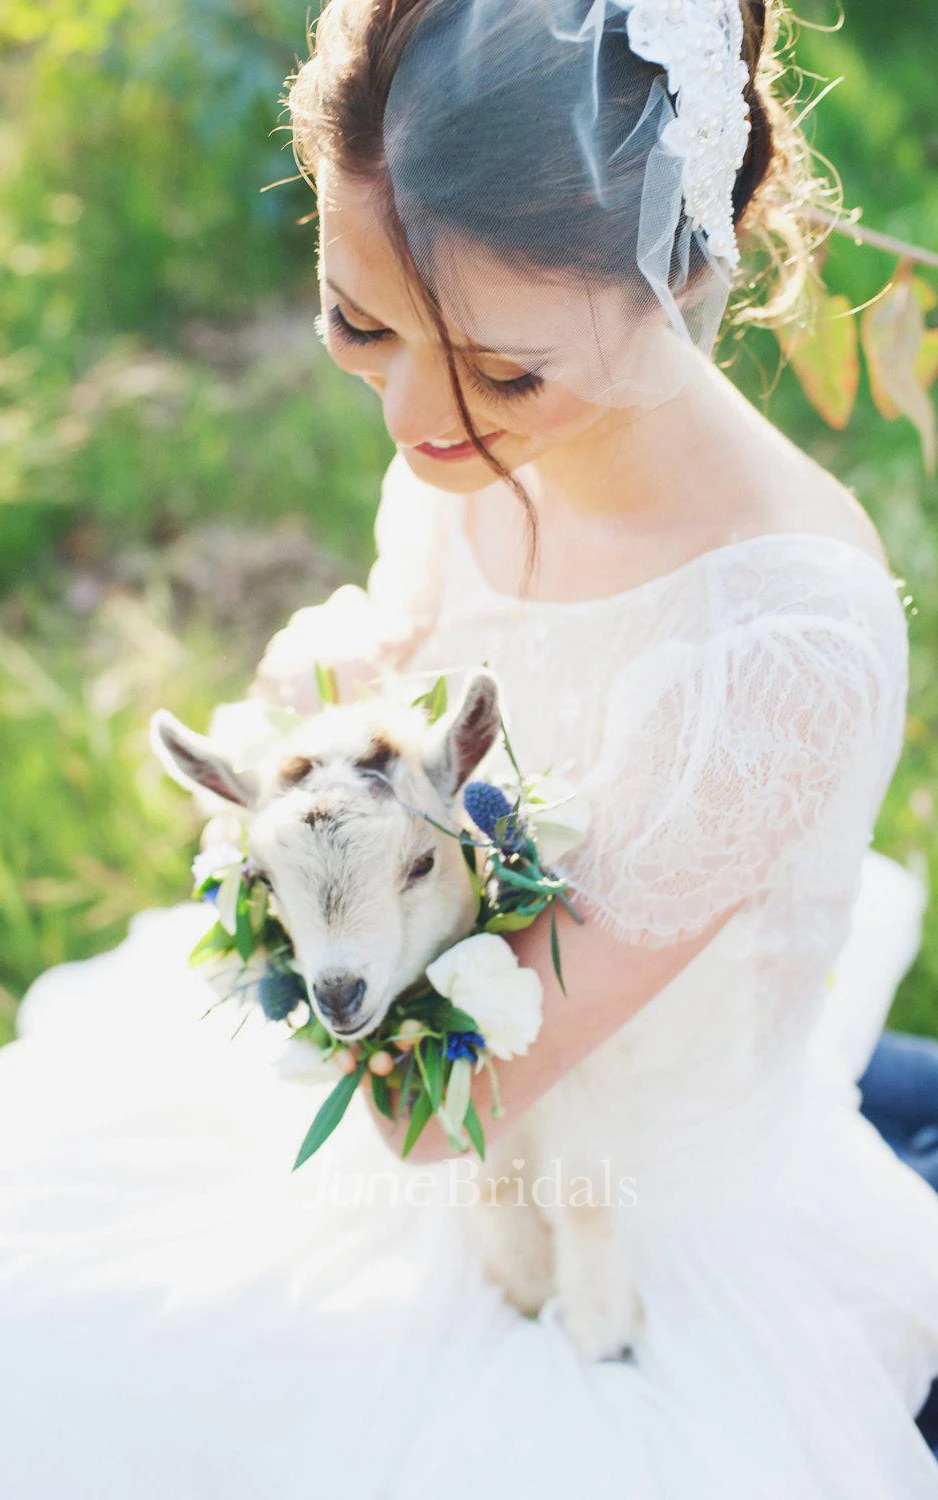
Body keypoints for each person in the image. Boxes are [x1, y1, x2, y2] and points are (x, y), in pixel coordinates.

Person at [1, 0, 937, 1494]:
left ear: (673, 271)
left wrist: (301, 896)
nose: (414, 419)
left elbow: (441, 1110)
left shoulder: (777, 650)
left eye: (502, 371)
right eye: (358, 323)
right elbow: (396, 639)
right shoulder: (461, 463)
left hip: (612, 1217)